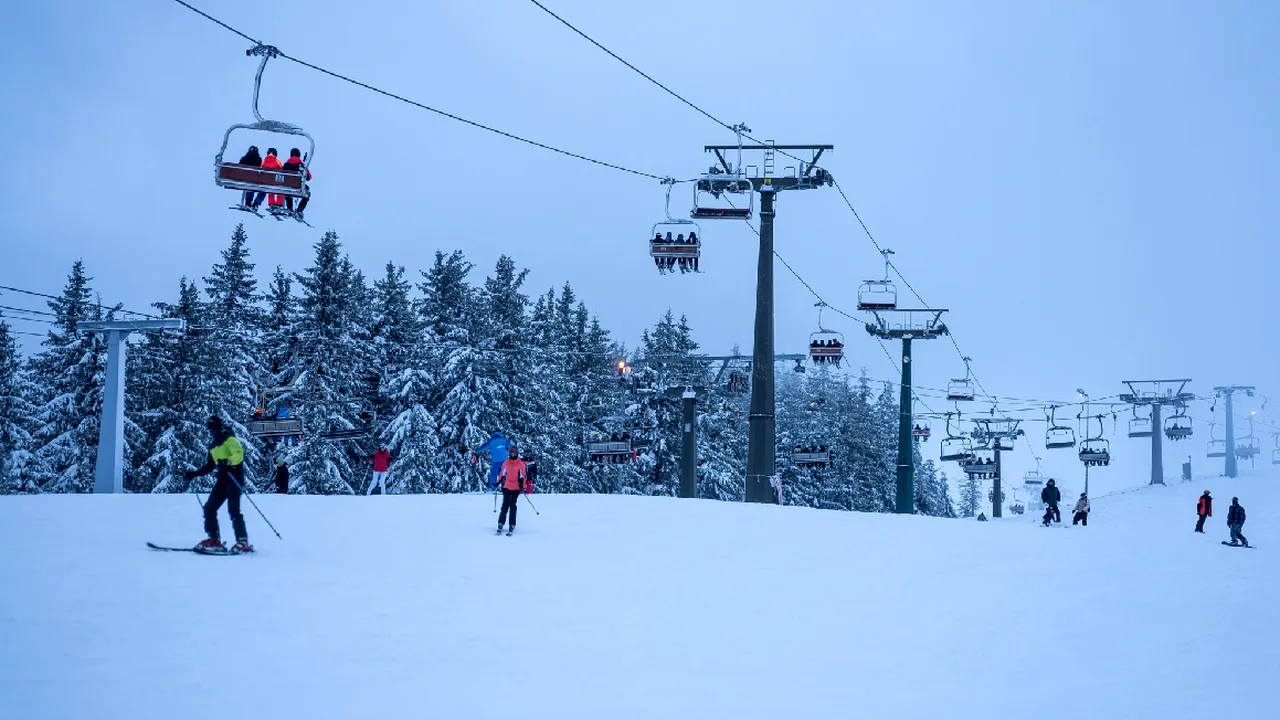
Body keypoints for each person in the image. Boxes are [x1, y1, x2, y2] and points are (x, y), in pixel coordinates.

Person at [184, 415, 252, 553]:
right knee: (209, 508)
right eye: (210, 430)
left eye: (214, 429)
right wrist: (195, 474)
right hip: (222, 481)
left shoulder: (229, 438)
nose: (212, 432)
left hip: (234, 479)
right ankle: (214, 539)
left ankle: (242, 541)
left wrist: (227, 461)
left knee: (233, 510)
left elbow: (239, 455)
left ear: (219, 427)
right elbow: (210, 466)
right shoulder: (213, 446)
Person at [496, 446, 528, 534]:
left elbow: (523, 476)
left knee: (513, 505)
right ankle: (501, 523)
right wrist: (498, 482)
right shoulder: (506, 462)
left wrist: (522, 486)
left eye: (513, 451)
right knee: (505, 505)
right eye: (510, 452)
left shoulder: (520, 463)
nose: (512, 453)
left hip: (516, 488)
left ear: (516, 452)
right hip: (506, 486)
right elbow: (502, 473)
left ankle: (512, 524)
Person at [283, 148, 312, 215]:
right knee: (307, 192)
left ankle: (289, 208)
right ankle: (299, 210)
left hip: (287, 186)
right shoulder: (301, 165)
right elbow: (309, 177)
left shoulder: (286, 164)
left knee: (288, 191)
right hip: (297, 186)